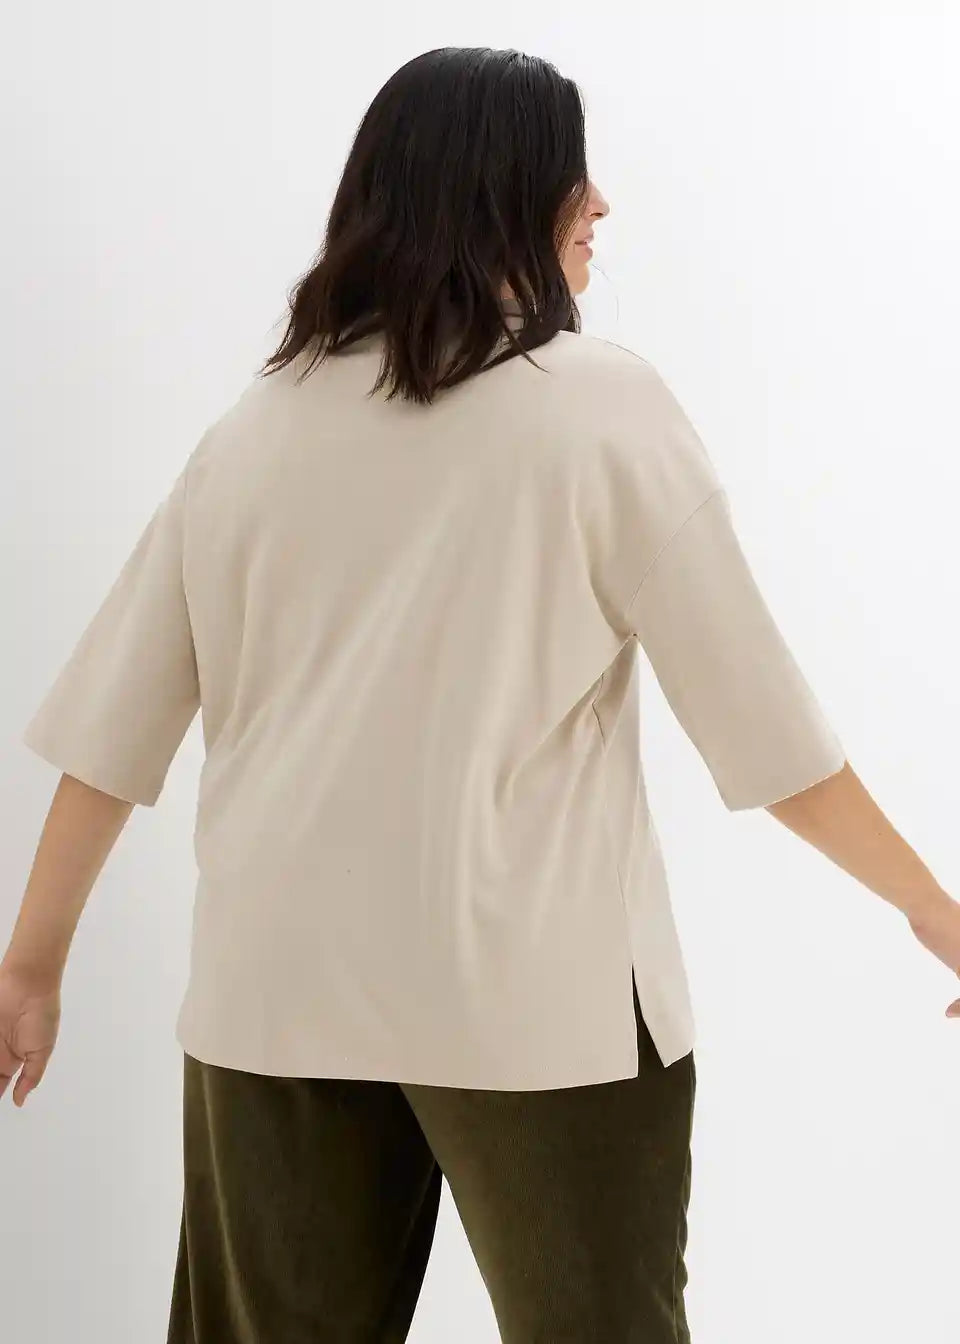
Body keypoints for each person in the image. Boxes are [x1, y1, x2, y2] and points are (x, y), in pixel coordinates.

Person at [2, 44, 958, 1344]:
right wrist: (935, 909)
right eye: (572, 173)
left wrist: (32, 965)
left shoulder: (255, 429)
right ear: (504, 192)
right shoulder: (602, 409)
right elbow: (766, 733)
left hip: (274, 993)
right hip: (538, 1003)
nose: (599, 203)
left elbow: (111, 733)